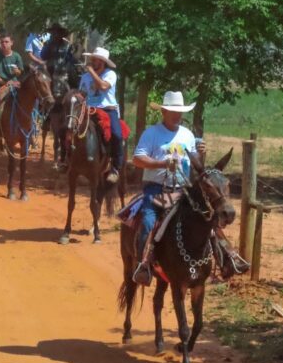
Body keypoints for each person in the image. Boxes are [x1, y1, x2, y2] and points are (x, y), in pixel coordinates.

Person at [131, 91, 207, 285]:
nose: (177, 115)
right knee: (148, 222)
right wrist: (162, 164)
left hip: (182, 190)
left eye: (179, 111)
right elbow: (137, 159)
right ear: (164, 111)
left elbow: (196, 166)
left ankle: (221, 259)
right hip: (156, 189)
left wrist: (201, 155)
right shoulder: (152, 133)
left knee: (205, 219)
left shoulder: (188, 135)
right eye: (173, 111)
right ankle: (144, 264)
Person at [78, 47, 123, 183]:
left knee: (117, 135)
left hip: (108, 110)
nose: (92, 61)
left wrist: (91, 71)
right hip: (89, 110)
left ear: (102, 62)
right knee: (72, 129)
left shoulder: (111, 74)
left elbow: (103, 86)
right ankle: (68, 161)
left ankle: (115, 168)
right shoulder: (85, 77)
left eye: (95, 60)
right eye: (92, 59)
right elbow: (82, 93)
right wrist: (77, 98)